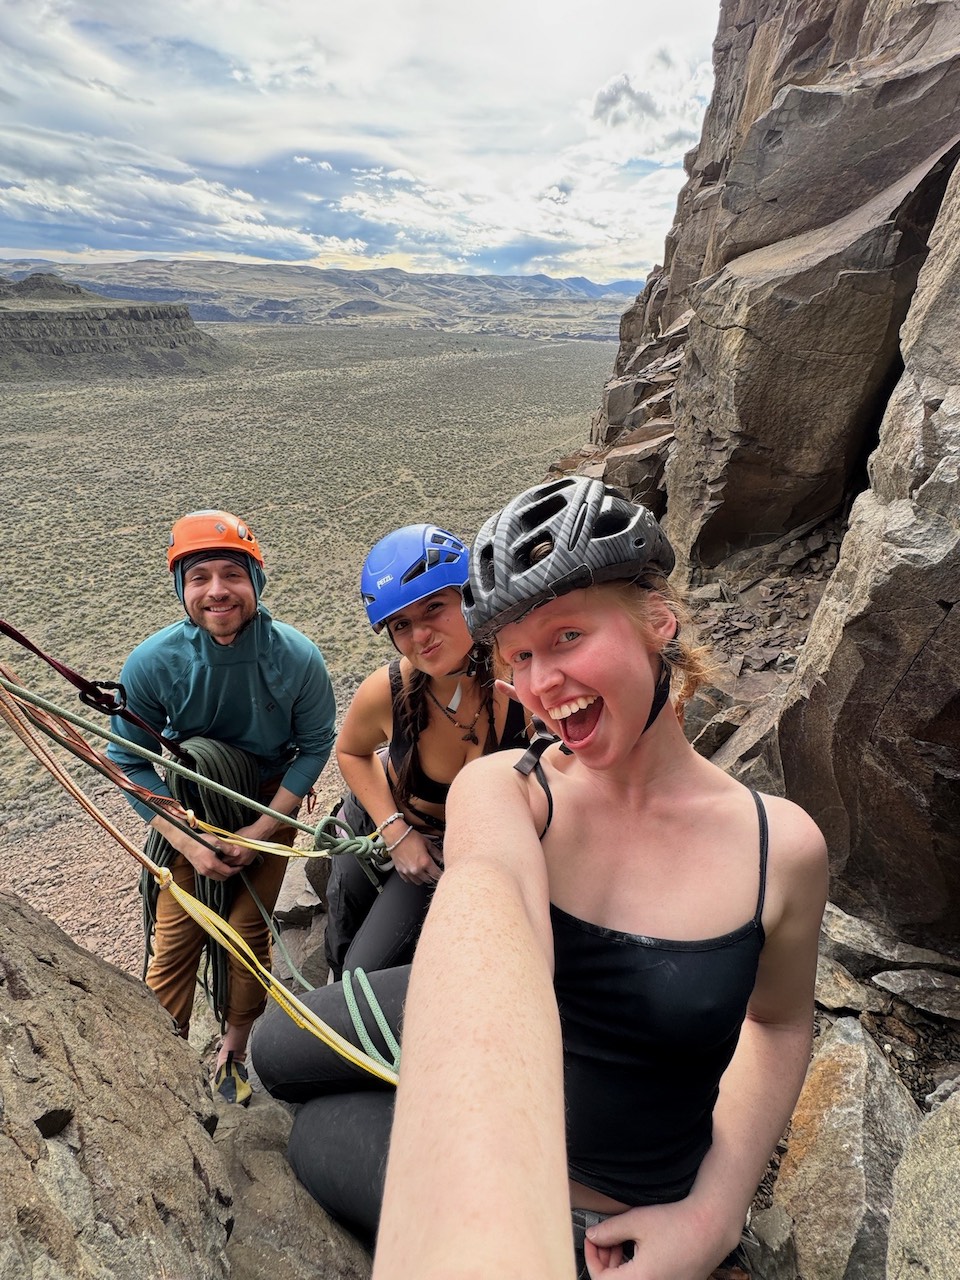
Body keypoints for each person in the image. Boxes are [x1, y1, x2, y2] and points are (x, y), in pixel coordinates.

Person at [253, 478, 828, 1280]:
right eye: (518, 656)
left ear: (658, 622)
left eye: (566, 637)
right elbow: (486, 900)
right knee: (274, 1055)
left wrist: (713, 1211)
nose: (542, 683)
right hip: (480, 1033)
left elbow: (777, 1025)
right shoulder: (507, 790)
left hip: (596, 1210)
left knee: (315, 1132)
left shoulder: (783, 849)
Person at [107, 509, 336, 1105]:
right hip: (193, 815)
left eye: (231, 574)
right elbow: (124, 761)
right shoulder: (154, 663)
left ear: (255, 581)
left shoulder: (297, 658)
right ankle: (162, 1067)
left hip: (267, 806)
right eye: (198, 576)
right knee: (176, 933)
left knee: (245, 930)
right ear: (181, 588)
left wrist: (262, 827)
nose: (216, 591)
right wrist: (186, 841)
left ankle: (233, 1043)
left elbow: (313, 748)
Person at [324, 522, 532, 980]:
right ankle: (331, 984)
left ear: (468, 598)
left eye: (435, 608)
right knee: (346, 916)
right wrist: (396, 833)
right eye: (402, 625)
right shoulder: (388, 691)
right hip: (388, 817)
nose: (421, 636)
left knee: (367, 968)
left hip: (446, 844)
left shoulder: (521, 677)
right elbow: (351, 752)